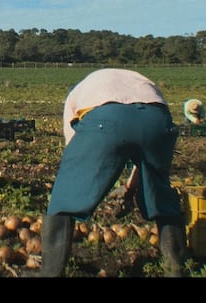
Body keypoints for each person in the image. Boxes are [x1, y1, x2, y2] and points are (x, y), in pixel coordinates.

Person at [40, 68, 187, 277]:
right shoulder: (140, 80)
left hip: (105, 118)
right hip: (157, 120)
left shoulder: (77, 93)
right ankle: (177, 269)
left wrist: (83, 182)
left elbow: (74, 147)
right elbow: (145, 154)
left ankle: (50, 273)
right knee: (162, 195)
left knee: (65, 198)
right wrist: (130, 188)